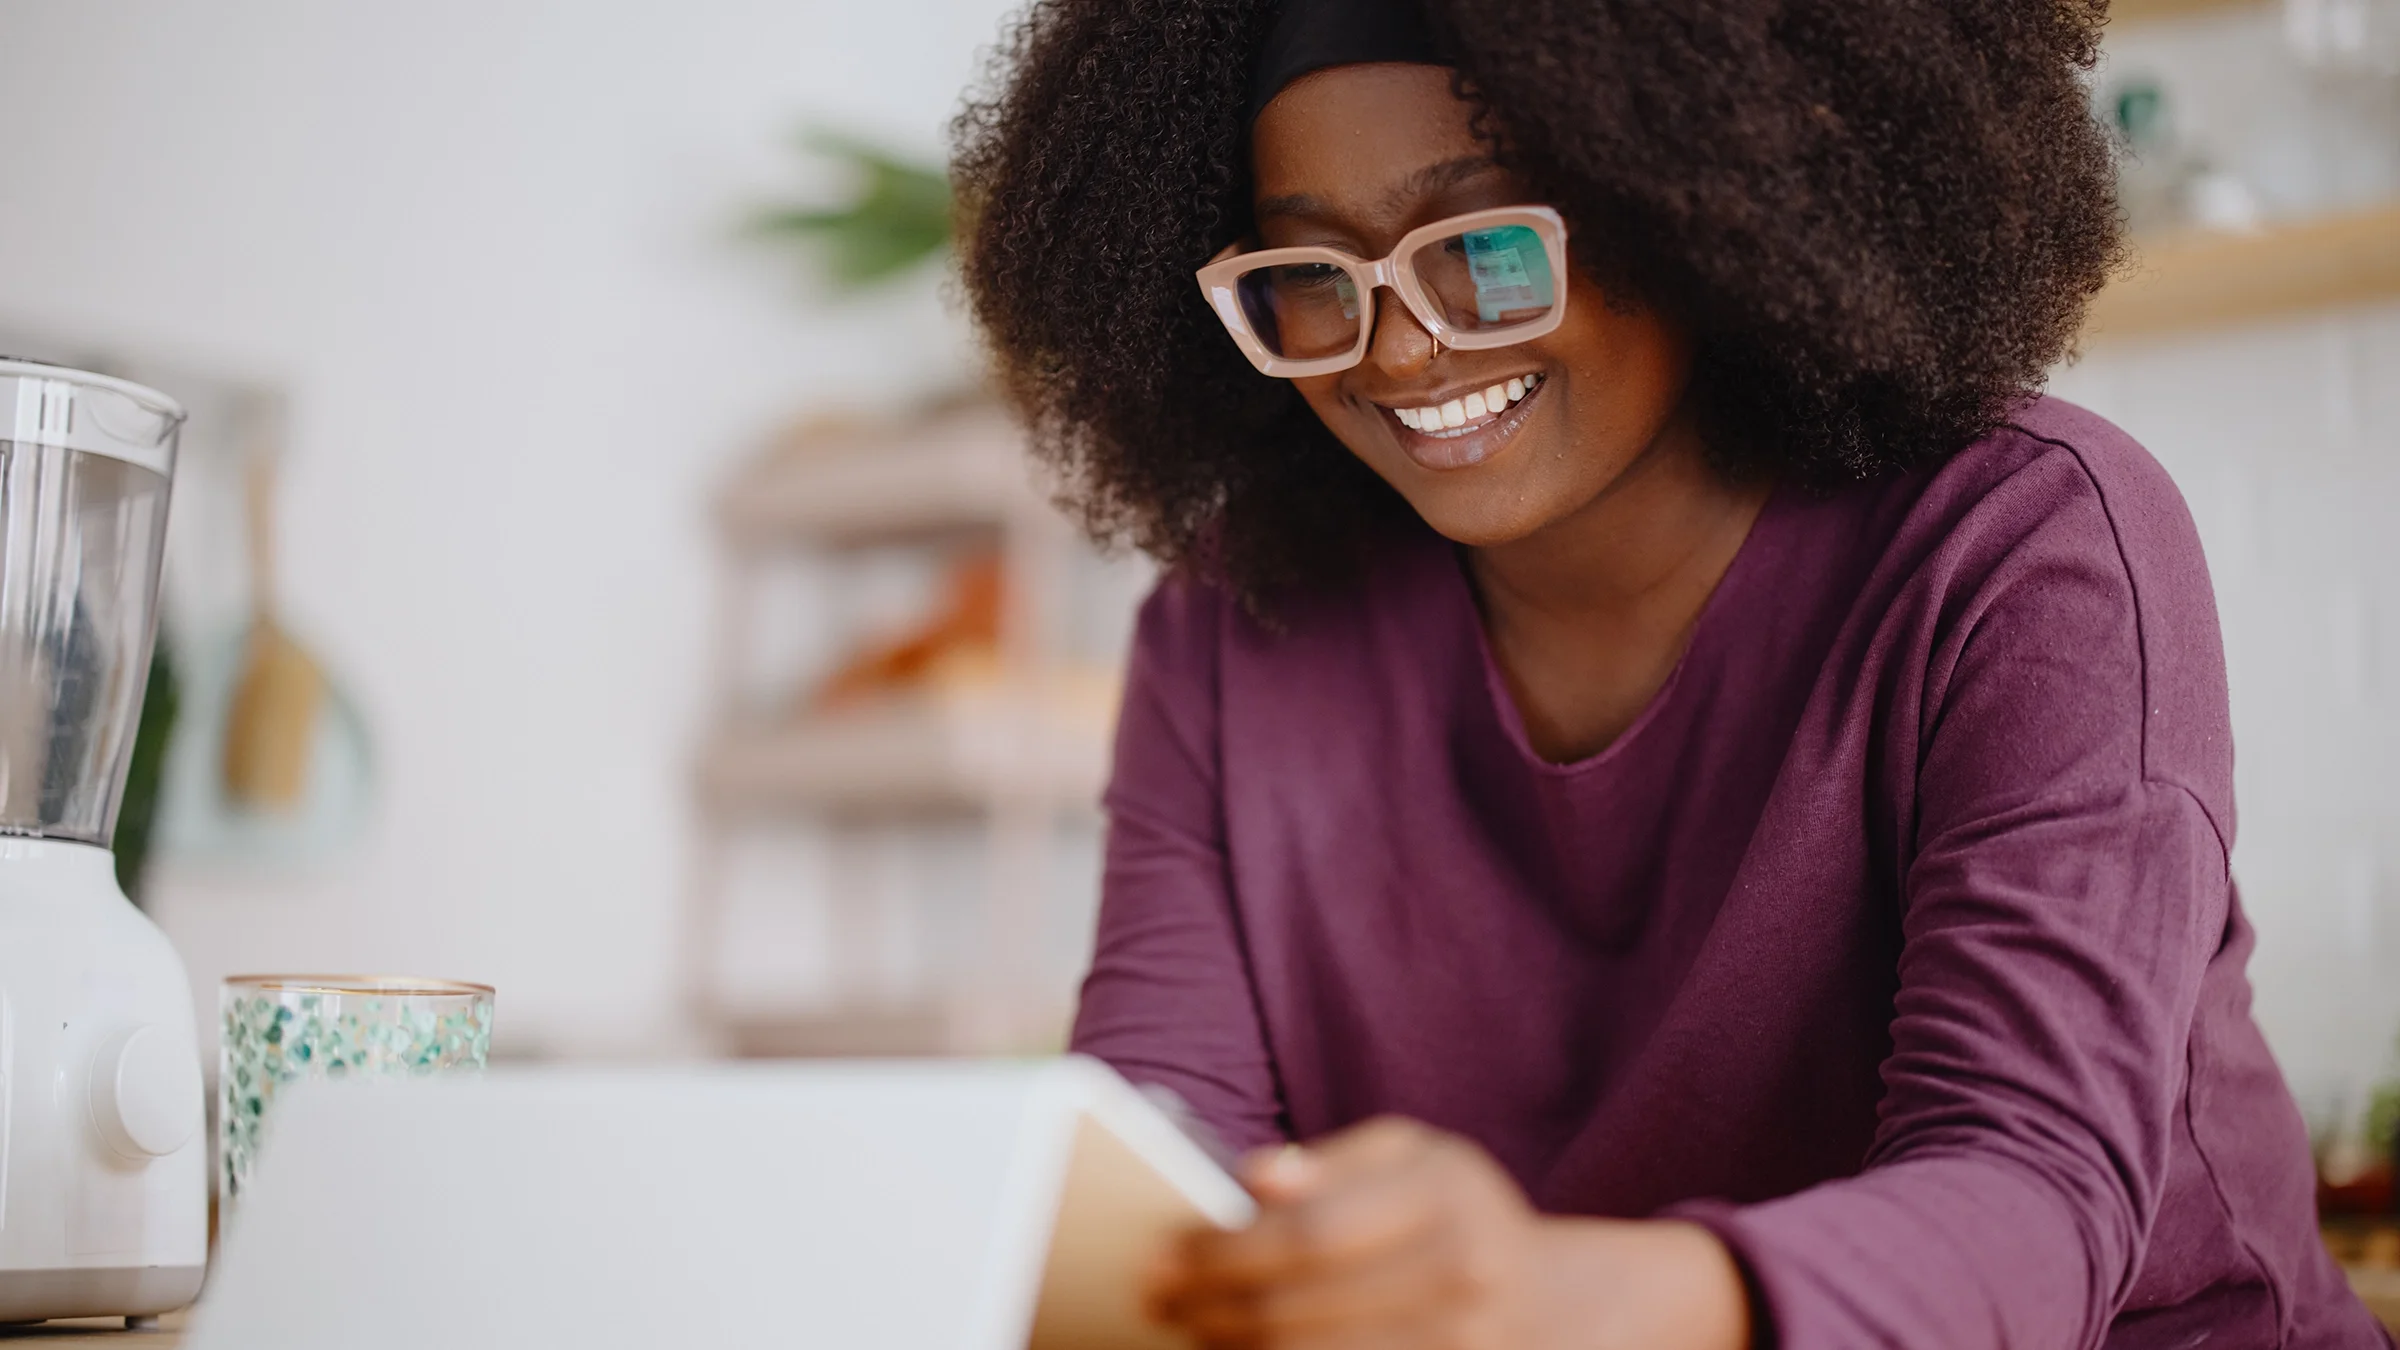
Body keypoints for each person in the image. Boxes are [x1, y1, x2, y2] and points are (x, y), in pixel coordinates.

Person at [951, 0, 2389, 1345]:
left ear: (1703, 200)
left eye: (1487, 246)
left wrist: (1558, 1293)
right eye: (1313, 275)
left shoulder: (2021, 543)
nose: (1398, 346)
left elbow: (2034, 1197)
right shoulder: (1231, 625)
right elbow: (1154, 1159)